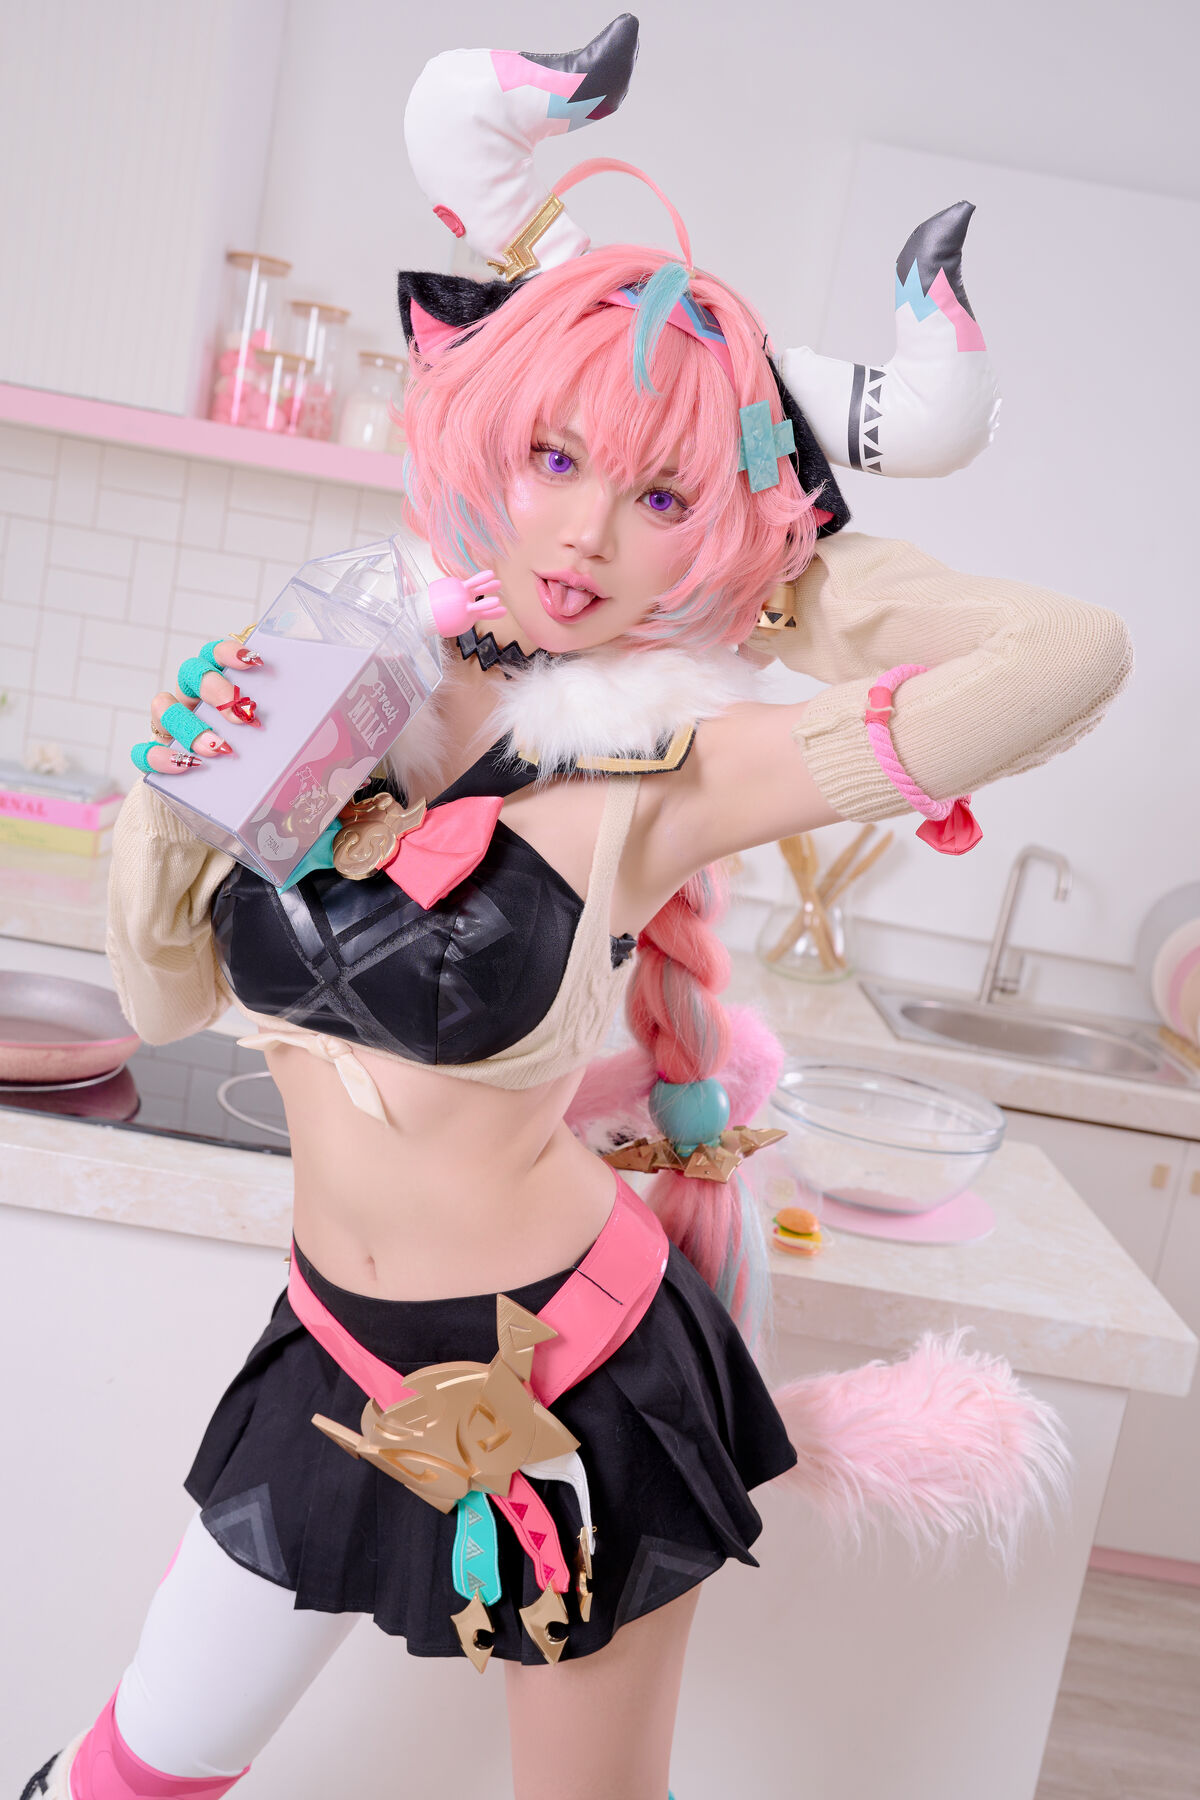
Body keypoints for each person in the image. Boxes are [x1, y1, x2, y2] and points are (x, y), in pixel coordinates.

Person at [21, 18, 1131, 1800]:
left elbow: (1068, 658)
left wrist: (784, 569)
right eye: (557, 458)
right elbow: (161, 1011)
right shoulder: (342, 677)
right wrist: (171, 805)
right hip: (333, 1354)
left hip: (571, 1376)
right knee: (130, 1773)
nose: (588, 535)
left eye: (661, 493)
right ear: (488, 439)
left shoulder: (662, 772)